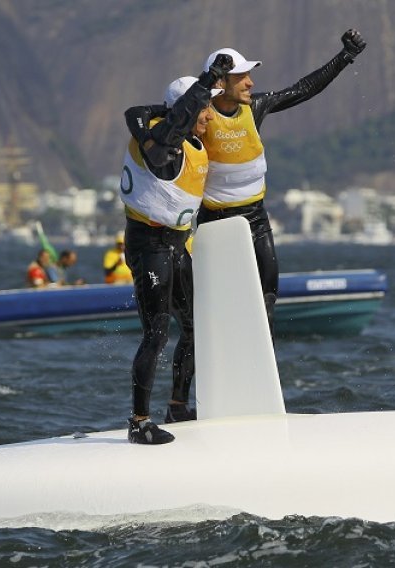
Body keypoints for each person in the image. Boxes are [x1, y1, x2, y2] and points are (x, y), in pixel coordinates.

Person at [126, 30, 367, 337]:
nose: (250, 83)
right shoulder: (199, 115)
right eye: (241, 77)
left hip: (256, 218)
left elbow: (303, 89)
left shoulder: (255, 108)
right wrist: (146, 138)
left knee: (267, 299)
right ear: (221, 82)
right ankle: (198, 373)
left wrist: (344, 57)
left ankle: (260, 374)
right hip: (215, 222)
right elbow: (142, 113)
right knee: (210, 310)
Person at [120, 54, 233, 444]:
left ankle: (178, 405)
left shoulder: (191, 142)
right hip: (148, 245)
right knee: (155, 334)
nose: (209, 115)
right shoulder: (162, 146)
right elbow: (173, 123)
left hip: (175, 245)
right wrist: (207, 80)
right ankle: (139, 421)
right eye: (203, 108)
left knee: (193, 325)